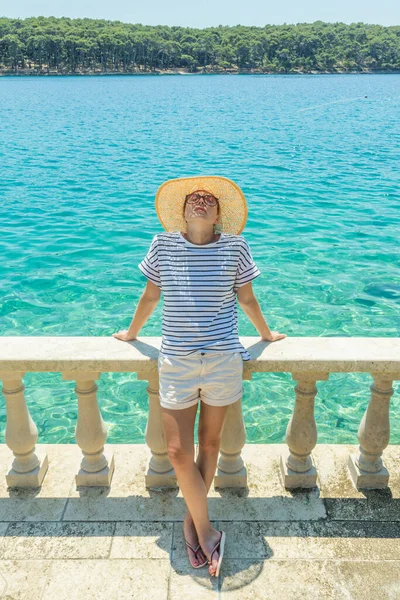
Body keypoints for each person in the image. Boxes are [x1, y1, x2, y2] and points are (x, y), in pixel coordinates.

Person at [112, 176, 287, 577]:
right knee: (176, 451)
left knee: (209, 443)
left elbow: (246, 297)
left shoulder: (236, 247)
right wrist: (132, 334)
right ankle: (207, 530)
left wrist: (266, 335)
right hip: (177, 360)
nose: (202, 203)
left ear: (219, 213)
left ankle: (194, 525)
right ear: (184, 211)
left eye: (209, 200)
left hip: (224, 357)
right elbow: (151, 295)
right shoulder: (163, 245)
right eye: (195, 199)